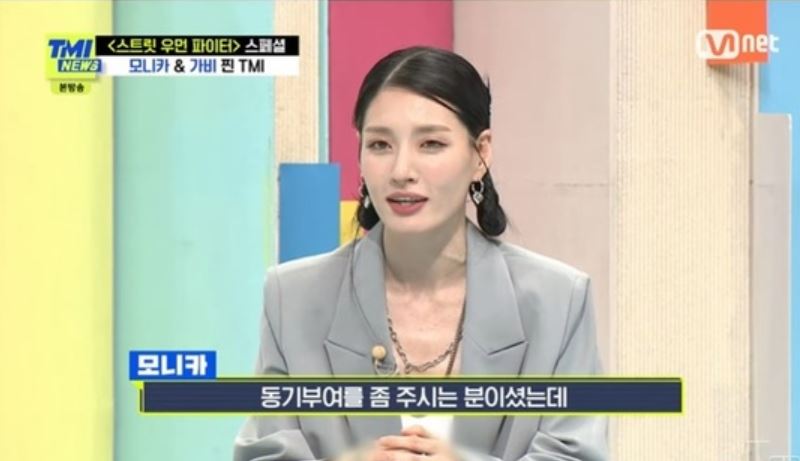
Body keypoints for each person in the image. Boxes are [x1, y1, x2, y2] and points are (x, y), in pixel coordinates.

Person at [233, 46, 608, 461]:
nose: (401, 171)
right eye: (380, 145)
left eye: (430, 144)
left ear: (481, 153)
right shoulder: (293, 297)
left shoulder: (558, 301)